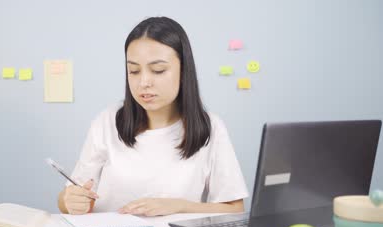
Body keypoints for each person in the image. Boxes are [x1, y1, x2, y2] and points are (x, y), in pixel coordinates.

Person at [58, 16, 248, 216]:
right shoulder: (107, 121)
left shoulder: (211, 128)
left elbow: (234, 209)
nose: (144, 82)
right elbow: (68, 197)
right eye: (134, 71)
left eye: (158, 70)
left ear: (184, 71)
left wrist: (178, 206)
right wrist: (69, 200)